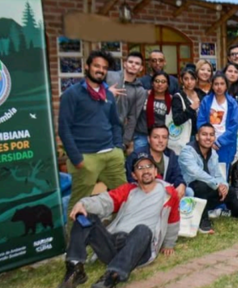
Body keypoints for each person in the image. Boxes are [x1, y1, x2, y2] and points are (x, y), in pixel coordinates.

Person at [56, 152, 179, 288]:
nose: (146, 170)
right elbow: (105, 201)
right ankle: (75, 268)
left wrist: (169, 244)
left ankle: (111, 277)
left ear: (156, 171)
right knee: (85, 216)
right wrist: (83, 203)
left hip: (140, 248)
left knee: (142, 229)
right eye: (140, 167)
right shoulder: (128, 190)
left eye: (149, 166)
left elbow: (173, 218)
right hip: (113, 244)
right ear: (134, 175)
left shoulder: (168, 193)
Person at [58, 50, 126, 221]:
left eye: (104, 68)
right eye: (97, 66)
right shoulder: (72, 94)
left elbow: (115, 124)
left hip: (111, 155)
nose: (100, 70)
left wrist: (118, 148)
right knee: (78, 203)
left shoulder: (108, 94)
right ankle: (74, 244)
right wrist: (77, 159)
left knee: (124, 196)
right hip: (85, 157)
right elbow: (64, 128)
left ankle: (120, 232)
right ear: (87, 67)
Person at [179, 123, 232, 234]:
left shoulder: (212, 153)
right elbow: (196, 173)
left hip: (205, 191)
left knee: (230, 191)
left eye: (211, 135)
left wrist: (224, 186)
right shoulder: (187, 151)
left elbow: (217, 175)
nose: (208, 138)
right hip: (189, 191)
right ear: (197, 137)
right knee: (201, 184)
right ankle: (203, 221)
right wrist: (217, 184)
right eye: (204, 134)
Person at [124, 125, 186, 198]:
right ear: (149, 139)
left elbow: (177, 175)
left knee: (188, 191)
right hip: (142, 193)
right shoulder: (137, 155)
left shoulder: (170, 155)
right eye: (156, 137)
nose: (160, 141)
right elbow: (130, 180)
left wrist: (181, 184)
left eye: (164, 137)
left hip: (165, 193)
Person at [106, 51, 147, 155]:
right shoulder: (109, 76)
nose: (133, 65)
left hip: (117, 132)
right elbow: (91, 91)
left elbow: (133, 117)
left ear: (141, 68)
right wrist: (106, 93)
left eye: (137, 63)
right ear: (124, 64)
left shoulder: (140, 90)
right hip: (98, 125)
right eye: (130, 62)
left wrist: (125, 141)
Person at [196, 72, 238, 168]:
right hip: (207, 143)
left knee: (222, 175)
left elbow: (234, 126)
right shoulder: (206, 101)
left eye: (222, 84)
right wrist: (209, 140)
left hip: (225, 144)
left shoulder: (232, 103)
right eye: (216, 84)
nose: (219, 87)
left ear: (226, 86)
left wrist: (218, 142)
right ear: (212, 85)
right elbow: (201, 122)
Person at [171, 68, 204, 142]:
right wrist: (191, 108)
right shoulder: (178, 97)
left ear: (196, 80)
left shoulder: (201, 94)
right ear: (181, 80)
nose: (189, 82)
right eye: (186, 79)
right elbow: (177, 120)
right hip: (187, 136)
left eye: (192, 79)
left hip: (201, 134)